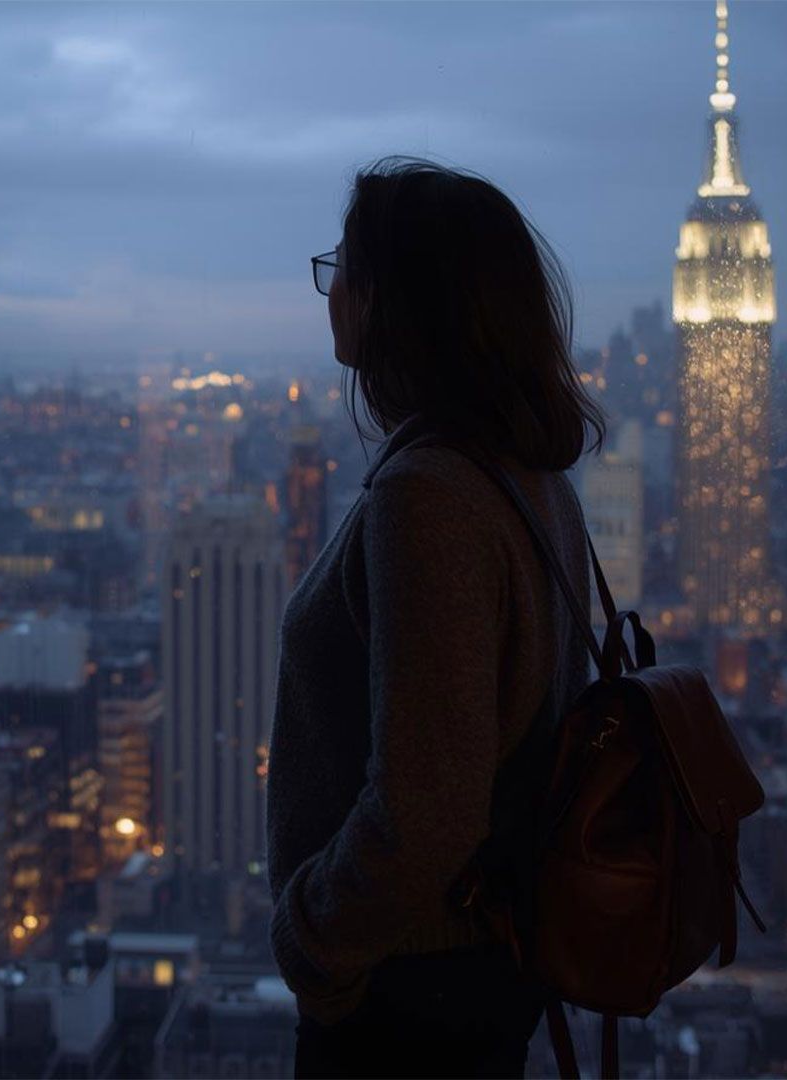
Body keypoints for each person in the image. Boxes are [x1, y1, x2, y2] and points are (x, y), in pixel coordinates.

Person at [267, 156, 607, 1078]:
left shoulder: (429, 495)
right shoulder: (523, 473)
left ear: (391, 300)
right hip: (473, 966)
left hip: (403, 990)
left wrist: (314, 944)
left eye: (344, 266)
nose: (329, 289)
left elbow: (426, 808)